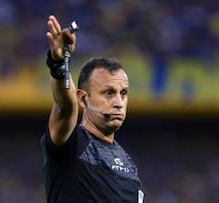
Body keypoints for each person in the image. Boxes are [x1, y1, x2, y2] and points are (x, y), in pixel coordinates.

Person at [40, 15, 144, 203]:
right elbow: (66, 105)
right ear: (83, 98)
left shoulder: (129, 166)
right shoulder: (72, 144)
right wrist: (60, 63)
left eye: (124, 93)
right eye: (109, 93)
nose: (119, 102)